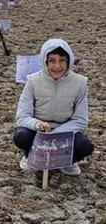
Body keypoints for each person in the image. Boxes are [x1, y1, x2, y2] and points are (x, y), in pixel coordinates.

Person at [14, 39, 94, 176]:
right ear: (44, 61)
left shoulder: (80, 83)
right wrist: (37, 125)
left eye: (62, 60)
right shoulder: (33, 81)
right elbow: (22, 116)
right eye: (52, 61)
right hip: (39, 132)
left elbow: (81, 120)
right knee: (21, 136)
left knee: (85, 146)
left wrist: (57, 133)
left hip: (66, 132)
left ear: (69, 61)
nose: (57, 66)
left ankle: (67, 162)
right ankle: (31, 156)